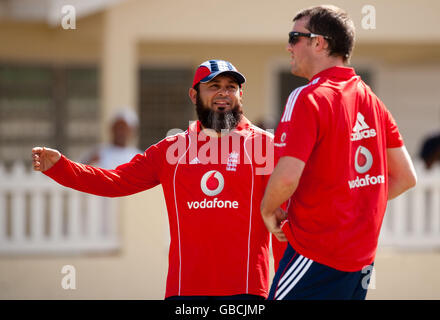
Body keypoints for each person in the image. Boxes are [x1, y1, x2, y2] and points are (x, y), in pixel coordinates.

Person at [32, 59, 283, 300]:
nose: (223, 93)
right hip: (185, 290)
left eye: (231, 87)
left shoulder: (265, 147)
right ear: (194, 95)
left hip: (248, 291)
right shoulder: (172, 149)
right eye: (214, 86)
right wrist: (61, 168)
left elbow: (284, 221)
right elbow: (115, 180)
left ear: (241, 94)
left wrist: (284, 286)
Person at [260, 5, 417, 300]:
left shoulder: (308, 97)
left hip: (314, 256)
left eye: (295, 37)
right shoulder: (372, 99)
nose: (288, 46)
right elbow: (405, 177)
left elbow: (286, 178)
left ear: (319, 43)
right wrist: (348, 212)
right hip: (360, 262)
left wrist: (267, 210)